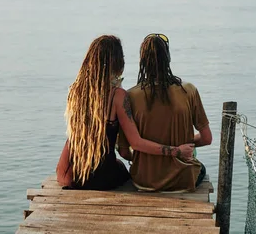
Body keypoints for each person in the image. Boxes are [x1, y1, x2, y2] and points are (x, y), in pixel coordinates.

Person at [56, 34, 195, 190]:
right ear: (116, 61)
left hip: (77, 176)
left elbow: (73, 137)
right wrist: (177, 151)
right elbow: (136, 143)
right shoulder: (117, 96)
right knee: (121, 168)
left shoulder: (76, 92)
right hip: (104, 179)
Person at [118, 33, 212, 192]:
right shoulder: (188, 91)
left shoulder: (129, 97)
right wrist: (180, 146)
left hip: (144, 180)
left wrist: (147, 157)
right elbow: (207, 138)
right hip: (182, 179)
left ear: (143, 62)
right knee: (199, 167)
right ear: (168, 58)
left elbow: (124, 151)